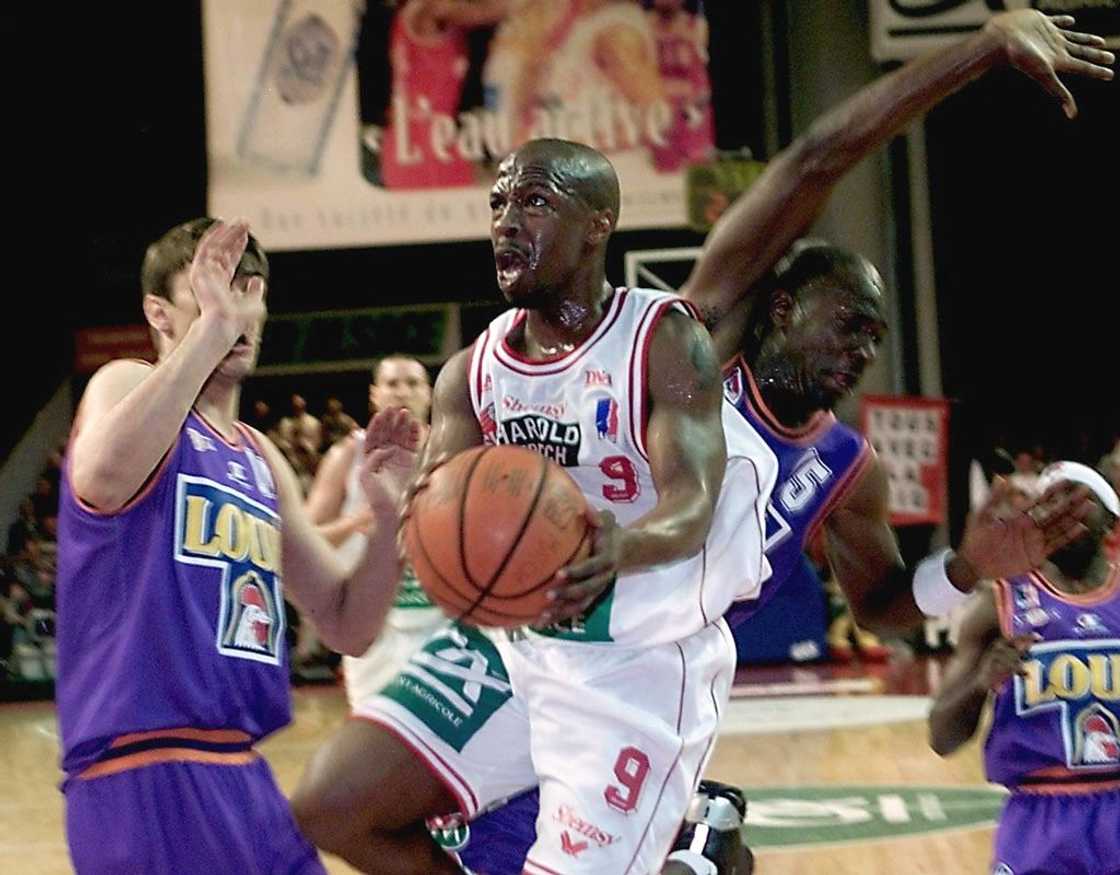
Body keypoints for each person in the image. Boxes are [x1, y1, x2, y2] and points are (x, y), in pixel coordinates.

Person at [365, 11, 1112, 875]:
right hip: (541, 643)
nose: (861, 352)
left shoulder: (845, 467)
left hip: (644, 682)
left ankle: (697, 842)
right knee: (358, 810)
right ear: (784, 310)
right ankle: (699, 843)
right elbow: (818, 158)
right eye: (849, 327)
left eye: (874, 339)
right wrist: (979, 48)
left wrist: (969, 568)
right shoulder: (689, 346)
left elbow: (880, 608)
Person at [293, 134, 780, 874]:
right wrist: (400, 508)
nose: (506, 221)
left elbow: (694, 502)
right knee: (333, 804)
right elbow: (440, 538)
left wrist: (624, 545)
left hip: (635, 668)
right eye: (498, 203)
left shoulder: (662, 340)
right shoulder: (471, 373)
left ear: (598, 224)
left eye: (535, 201)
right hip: (511, 648)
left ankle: (701, 854)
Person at [55, 218, 417, 874]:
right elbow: (101, 477)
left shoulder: (261, 456)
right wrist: (209, 334)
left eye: (252, 291)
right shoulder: (122, 384)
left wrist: (390, 519)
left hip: (243, 775)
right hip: (142, 774)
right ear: (158, 312)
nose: (241, 309)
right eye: (218, 289)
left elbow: (346, 620)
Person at [928, 461, 1120, 875]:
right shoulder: (998, 606)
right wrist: (981, 685)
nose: (1061, 513)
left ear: (1109, 518)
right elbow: (941, 737)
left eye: (1075, 500)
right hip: (1039, 815)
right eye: (1050, 503)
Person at [305, 354, 445, 707]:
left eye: (412, 383)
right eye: (392, 383)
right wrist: (358, 522)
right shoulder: (346, 455)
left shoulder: (453, 452)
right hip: (376, 627)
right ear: (374, 394)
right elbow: (305, 543)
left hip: (444, 622)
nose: (403, 392)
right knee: (381, 749)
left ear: (429, 394)